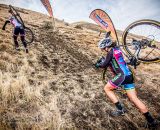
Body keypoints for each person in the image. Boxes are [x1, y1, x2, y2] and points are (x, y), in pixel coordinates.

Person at [95, 32, 159, 128]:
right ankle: (151, 120)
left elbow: (104, 65)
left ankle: (120, 109)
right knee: (134, 98)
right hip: (129, 75)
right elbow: (117, 61)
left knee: (107, 89)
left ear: (106, 47)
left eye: (103, 48)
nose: (103, 50)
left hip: (122, 76)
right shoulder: (118, 49)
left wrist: (98, 64)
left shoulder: (110, 52)